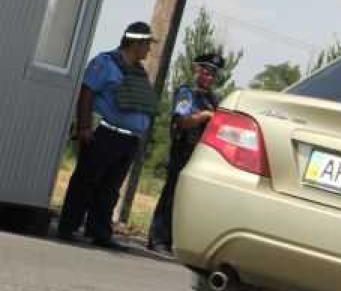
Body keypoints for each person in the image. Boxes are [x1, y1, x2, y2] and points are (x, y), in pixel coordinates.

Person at [57, 22, 159, 251]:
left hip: (128, 140)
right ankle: (68, 226)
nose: (149, 50)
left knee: (110, 188)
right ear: (135, 43)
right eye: (146, 44)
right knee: (86, 181)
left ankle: (99, 232)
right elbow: (87, 93)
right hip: (103, 134)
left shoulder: (139, 71)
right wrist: (84, 126)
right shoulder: (105, 63)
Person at [147, 52, 224, 254]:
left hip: (201, 153)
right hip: (183, 149)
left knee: (189, 199)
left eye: (213, 75)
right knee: (172, 194)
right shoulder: (186, 92)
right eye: (206, 72)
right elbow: (182, 120)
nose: (209, 77)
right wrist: (204, 116)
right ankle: (158, 238)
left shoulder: (213, 99)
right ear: (197, 70)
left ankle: (175, 239)